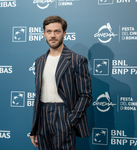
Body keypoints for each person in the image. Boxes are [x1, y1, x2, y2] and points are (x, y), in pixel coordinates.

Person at [30, 16, 92, 150]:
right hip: (43, 116)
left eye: (57, 31)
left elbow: (85, 95)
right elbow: (38, 96)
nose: (53, 35)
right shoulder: (39, 61)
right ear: (44, 34)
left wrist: (71, 120)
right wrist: (34, 127)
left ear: (64, 33)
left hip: (63, 114)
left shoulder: (77, 60)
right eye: (49, 31)